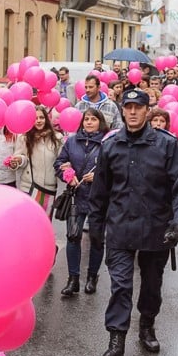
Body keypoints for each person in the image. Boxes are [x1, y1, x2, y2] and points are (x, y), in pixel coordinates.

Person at [88, 89, 178, 356]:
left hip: (156, 230)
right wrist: (96, 228)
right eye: (129, 107)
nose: (133, 112)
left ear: (148, 111)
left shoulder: (167, 145)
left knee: (150, 285)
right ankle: (115, 347)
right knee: (120, 286)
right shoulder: (110, 146)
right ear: (122, 110)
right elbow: (99, 192)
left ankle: (147, 324)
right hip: (121, 229)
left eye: (139, 107)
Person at [54, 108, 108, 297]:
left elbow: (115, 170)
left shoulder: (107, 143)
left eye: (93, 119)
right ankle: (73, 279)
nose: (89, 122)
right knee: (72, 236)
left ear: (100, 122)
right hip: (76, 196)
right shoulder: (72, 141)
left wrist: (99, 176)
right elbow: (60, 163)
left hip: (98, 198)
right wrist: (68, 175)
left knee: (96, 239)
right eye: (86, 119)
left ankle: (92, 277)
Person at [10, 106, 63, 215]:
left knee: (44, 223)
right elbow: (21, 158)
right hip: (29, 187)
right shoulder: (24, 137)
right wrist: (18, 160)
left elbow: (61, 161)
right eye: (35, 118)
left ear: (46, 119)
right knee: (28, 223)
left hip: (48, 188)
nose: (38, 121)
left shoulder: (57, 138)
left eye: (41, 117)